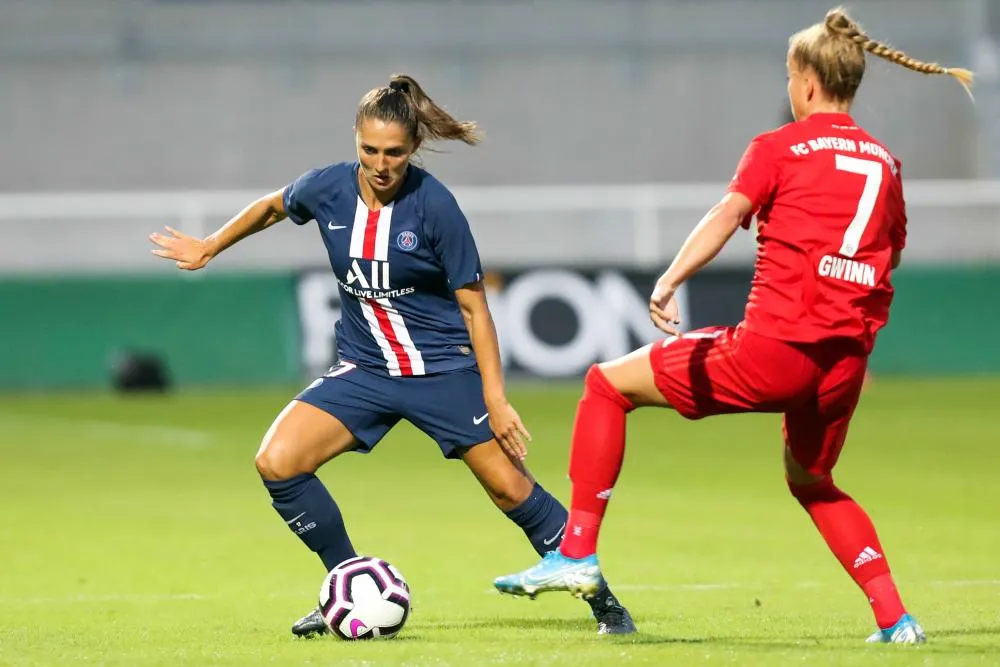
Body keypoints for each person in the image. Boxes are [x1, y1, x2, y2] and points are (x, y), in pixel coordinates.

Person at [493, 7, 974, 645]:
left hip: (773, 350)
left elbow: (728, 213)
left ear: (805, 81)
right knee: (813, 480)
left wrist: (668, 280)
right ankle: (896, 620)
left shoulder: (778, 147)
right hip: (843, 366)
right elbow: (892, 250)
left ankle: (577, 552)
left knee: (606, 384)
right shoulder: (885, 163)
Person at [149, 74, 635, 636]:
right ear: (355, 140)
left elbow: (476, 309)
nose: (381, 164)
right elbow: (272, 207)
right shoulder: (326, 189)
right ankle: (349, 585)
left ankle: (606, 605)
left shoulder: (435, 207)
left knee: (509, 488)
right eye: (370, 150)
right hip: (365, 370)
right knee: (278, 461)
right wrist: (210, 245)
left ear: (414, 149)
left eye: (395, 153)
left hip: (442, 372)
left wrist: (496, 399)